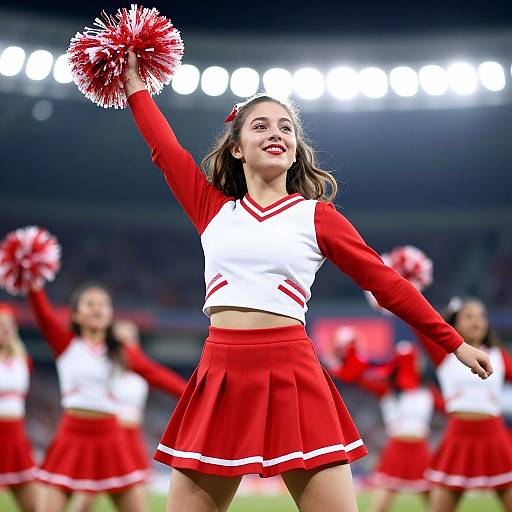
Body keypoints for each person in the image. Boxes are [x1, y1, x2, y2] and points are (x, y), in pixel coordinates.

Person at [122, 50, 491, 512]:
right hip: (220, 373)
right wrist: (135, 85)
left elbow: (387, 284)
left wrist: (454, 342)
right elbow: (166, 151)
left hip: (292, 370)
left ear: (296, 148)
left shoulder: (317, 217)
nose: (276, 133)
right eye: (260, 125)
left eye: (285, 127)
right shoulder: (212, 210)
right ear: (236, 148)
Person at [27, 282, 187, 512]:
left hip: (110, 436)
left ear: (111, 314)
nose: (97, 309)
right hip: (71, 435)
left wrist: (196, 396)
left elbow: (158, 375)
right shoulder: (65, 343)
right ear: (76, 314)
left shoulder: (120, 351)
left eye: (103, 304)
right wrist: (33, 283)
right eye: (90, 304)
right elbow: (42, 312)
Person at [69, 319, 185, 512]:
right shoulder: (102, 367)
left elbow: (162, 378)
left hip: (132, 438)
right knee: (86, 500)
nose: (126, 345)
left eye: (130, 339)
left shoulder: (140, 368)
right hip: (109, 435)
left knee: (137, 501)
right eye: (121, 339)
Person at [416, 297, 512, 512]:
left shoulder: (499, 356)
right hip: (458, 438)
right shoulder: (444, 354)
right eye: (468, 316)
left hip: (495, 437)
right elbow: (422, 324)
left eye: (481, 316)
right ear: (454, 324)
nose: (476, 321)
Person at [332, 338, 441, 512]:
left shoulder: (428, 392)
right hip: (396, 449)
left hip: (420, 449)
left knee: (436, 504)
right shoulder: (387, 390)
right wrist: (350, 357)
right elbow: (359, 378)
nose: (415, 365)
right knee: (382, 503)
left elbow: (451, 406)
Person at [0, 303, 38, 511]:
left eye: (9, 325)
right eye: (0, 325)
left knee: (33, 505)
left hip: (16, 437)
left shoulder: (23, 360)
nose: (5, 329)